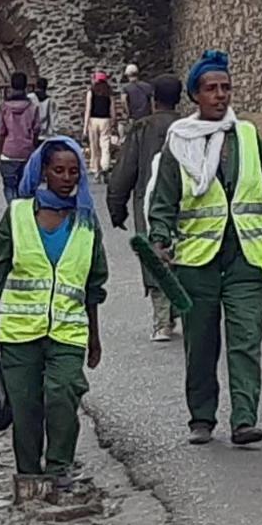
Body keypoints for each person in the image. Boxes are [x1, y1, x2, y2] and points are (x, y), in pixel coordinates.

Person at [149, 50, 262, 447]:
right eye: (212, 89)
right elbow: (164, 198)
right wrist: (160, 238)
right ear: (196, 95)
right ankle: (201, 417)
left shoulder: (247, 135)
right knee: (201, 343)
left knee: (245, 340)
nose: (221, 95)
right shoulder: (179, 142)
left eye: (226, 88)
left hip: (246, 257)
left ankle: (244, 419)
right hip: (197, 262)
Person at [0, 137, 107, 487]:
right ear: (43, 173)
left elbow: (93, 285)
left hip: (68, 332)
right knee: (25, 408)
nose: (67, 178)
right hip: (20, 333)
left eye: (74, 171)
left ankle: (58, 468)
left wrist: (94, 338)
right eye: (58, 170)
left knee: (63, 394)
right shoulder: (18, 215)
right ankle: (29, 475)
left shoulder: (86, 222)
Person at [107, 74, 183, 341]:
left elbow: (125, 169)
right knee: (182, 251)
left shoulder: (142, 128)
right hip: (186, 201)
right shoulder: (188, 127)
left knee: (154, 254)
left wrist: (117, 206)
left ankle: (162, 320)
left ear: (153, 99)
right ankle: (181, 309)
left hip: (149, 200)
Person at [0, 71, 41, 203]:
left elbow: (1, 131)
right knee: (25, 187)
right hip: (26, 151)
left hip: (8, 151)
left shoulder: (4, 107)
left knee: (9, 186)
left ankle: (12, 210)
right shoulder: (33, 107)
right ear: (25, 87)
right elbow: (37, 130)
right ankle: (23, 213)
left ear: (11, 86)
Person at [84, 71, 116, 182]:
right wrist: (113, 121)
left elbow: (88, 109)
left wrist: (85, 127)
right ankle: (105, 166)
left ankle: (96, 171)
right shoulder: (109, 92)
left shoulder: (91, 91)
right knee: (105, 145)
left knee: (94, 147)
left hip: (93, 120)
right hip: (105, 120)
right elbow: (112, 108)